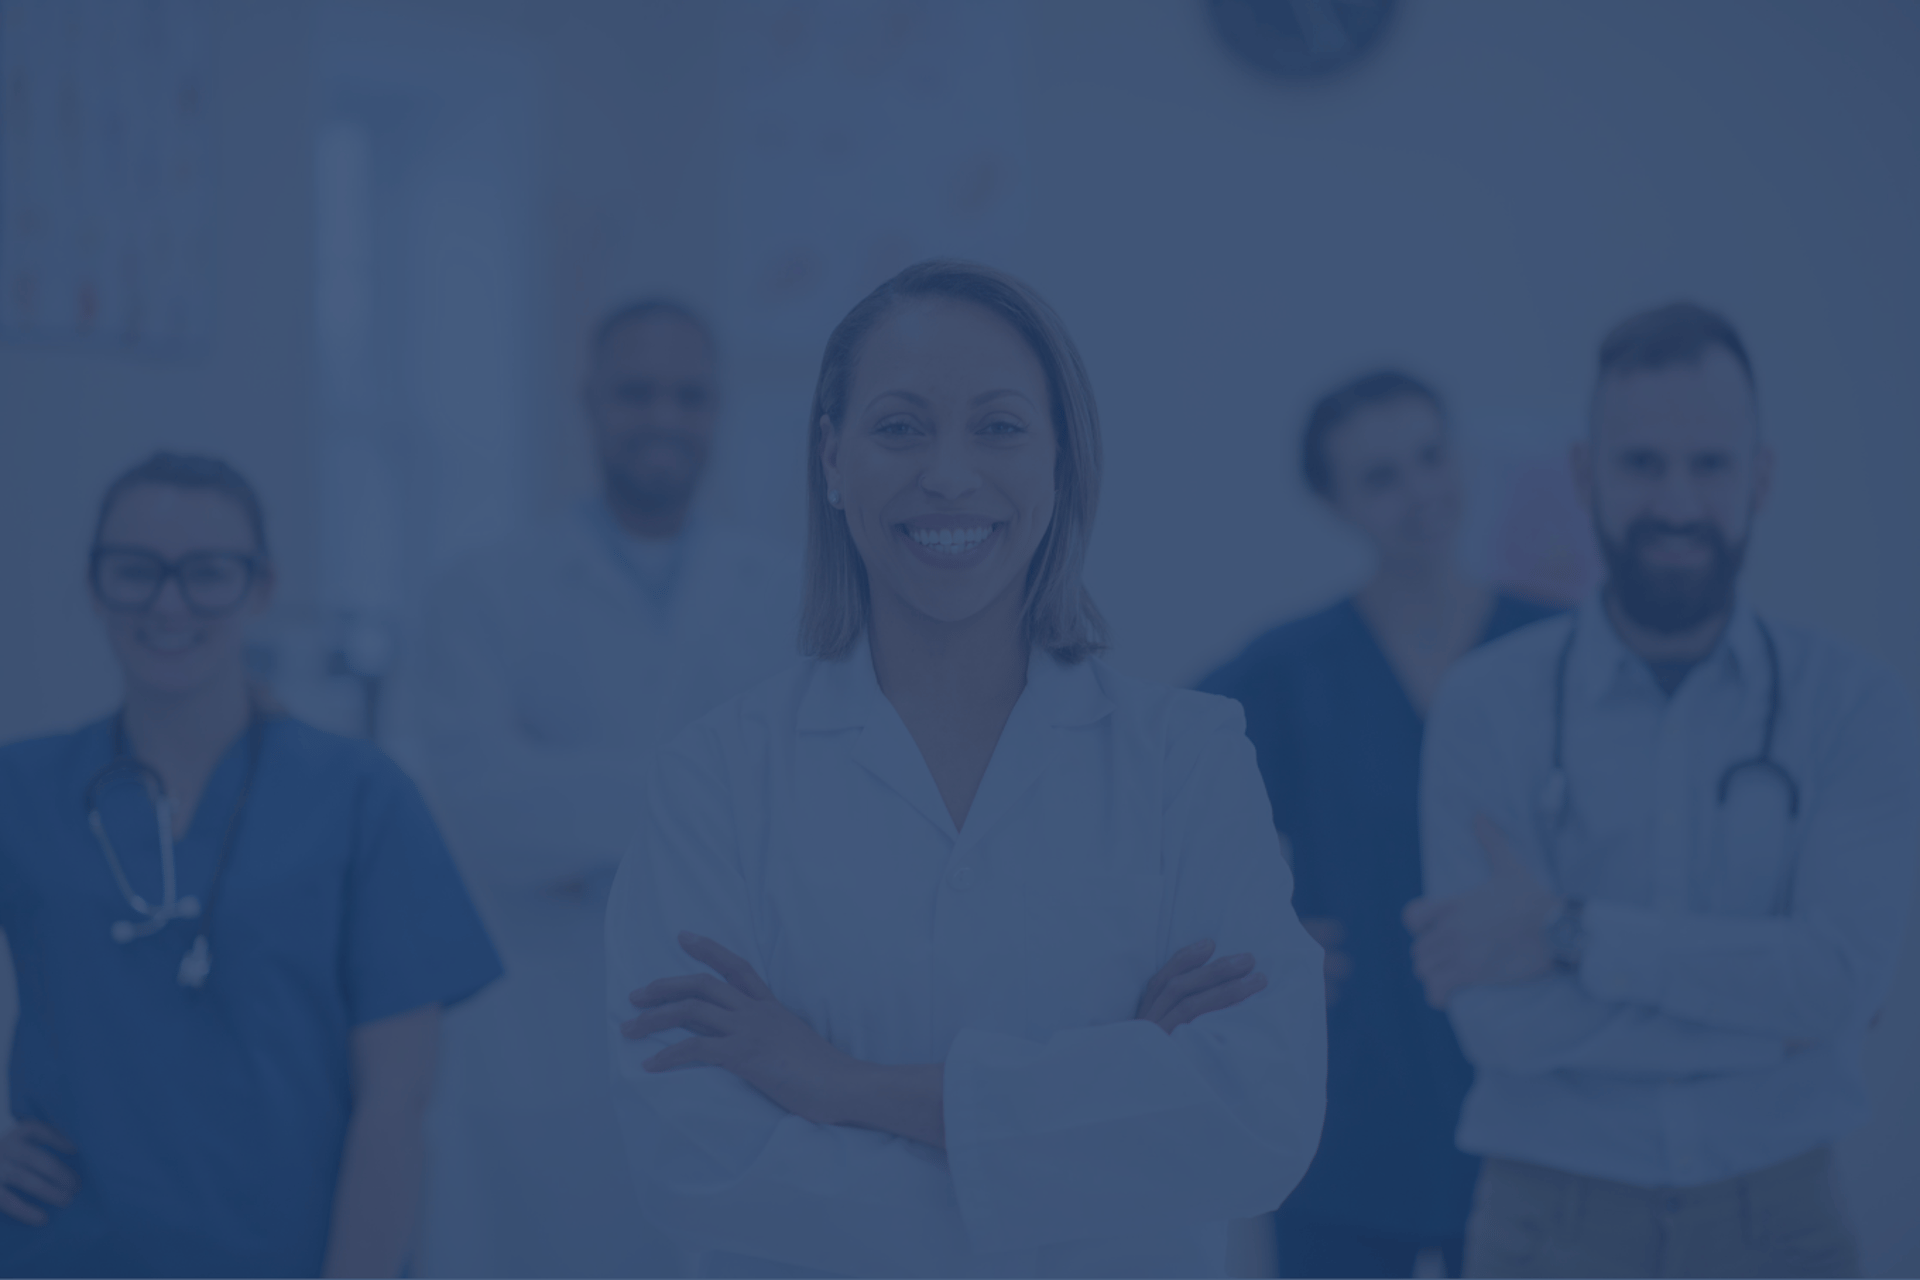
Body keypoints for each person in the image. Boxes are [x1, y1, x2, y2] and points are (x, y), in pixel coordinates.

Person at [603, 260, 1328, 1277]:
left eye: (998, 426)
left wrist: (841, 1083)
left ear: (1062, 459)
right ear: (831, 456)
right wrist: (1110, 1114)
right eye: (900, 427)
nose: (948, 472)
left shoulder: (1187, 758)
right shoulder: (716, 775)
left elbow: (1260, 1122)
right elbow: (694, 1159)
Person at [1405, 302, 1920, 1278]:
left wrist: (1566, 931)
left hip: (1786, 1221)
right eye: (1643, 463)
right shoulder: (1487, 704)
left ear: (1759, 476)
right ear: (1585, 474)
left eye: (1711, 464)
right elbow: (1493, 1018)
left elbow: (1840, 980)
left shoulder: (1853, 704)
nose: (1677, 500)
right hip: (1544, 1224)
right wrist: (1774, 1014)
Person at [0, 452, 501, 1278]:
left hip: (291, 1253)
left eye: (206, 573)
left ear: (260, 587)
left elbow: (396, 1103)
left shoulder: (362, 796)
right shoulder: (21, 789)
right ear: (95, 585)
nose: (169, 603)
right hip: (66, 1252)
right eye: (136, 571)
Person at [413, 298, 801, 1277]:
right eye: (636, 391)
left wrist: (572, 798)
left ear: (718, 411)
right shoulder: (484, 591)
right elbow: (486, 816)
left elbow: (807, 812)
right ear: (589, 403)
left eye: (688, 394)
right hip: (543, 1035)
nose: (661, 416)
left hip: (729, 1035)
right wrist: (708, 791)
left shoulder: (791, 598)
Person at [1197, 370, 1557, 1278]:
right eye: (1381, 477)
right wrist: (1251, 942)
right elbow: (1139, 808)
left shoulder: (1558, 654)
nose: (1421, 493)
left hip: (1536, 1108)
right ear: (1334, 502)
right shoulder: (1290, 672)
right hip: (1351, 1112)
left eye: (1431, 457)